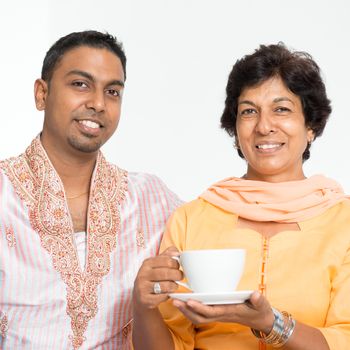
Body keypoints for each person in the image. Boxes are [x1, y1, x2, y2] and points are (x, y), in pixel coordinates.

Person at [132, 43, 350, 350]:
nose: (263, 126)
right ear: (235, 129)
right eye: (249, 111)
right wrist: (144, 306)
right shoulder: (192, 219)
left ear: (311, 125)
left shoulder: (343, 223)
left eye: (281, 109)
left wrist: (268, 322)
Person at [0, 30, 181, 349]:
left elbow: (219, 234)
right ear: (42, 94)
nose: (98, 103)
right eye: (80, 84)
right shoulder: (4, 193)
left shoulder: (149, 198)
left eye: (112, 91)